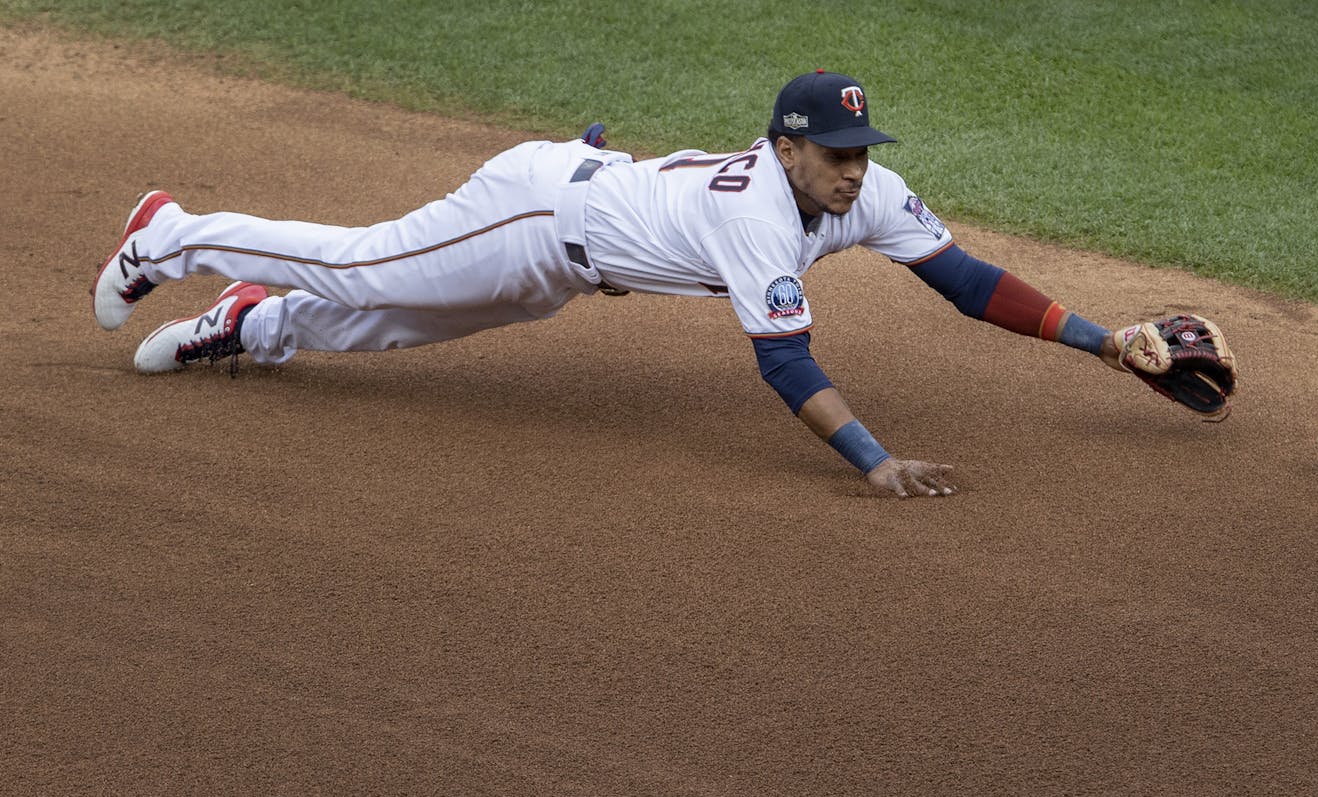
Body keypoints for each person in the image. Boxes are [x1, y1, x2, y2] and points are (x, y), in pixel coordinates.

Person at [91, 70, 1137, 499]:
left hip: (570, 255)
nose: (855, 171)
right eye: (836, 155)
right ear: (786, 150)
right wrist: (873, 461)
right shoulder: (761, 213)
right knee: (366, 262)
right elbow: (783, 361)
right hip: (536, 210)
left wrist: (1102, 340)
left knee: (400, 325)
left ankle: (254, 325)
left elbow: (963, 279)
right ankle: (170, 234)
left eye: (863, 151)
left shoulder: (867, 192)